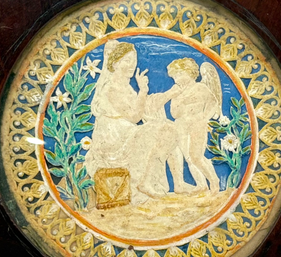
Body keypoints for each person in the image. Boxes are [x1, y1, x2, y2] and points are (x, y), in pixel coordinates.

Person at [84, 40, 180, 202]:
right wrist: (143, 91)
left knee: (169, 129)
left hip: (126, 131)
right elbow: (135, 117)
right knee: (163, 130)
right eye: (127, 61)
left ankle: (163, 182)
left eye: (134, 61)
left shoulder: (126, 87)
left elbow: (140, 113)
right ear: (115, 64)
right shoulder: (111, 88)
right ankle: (146, 182)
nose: (132, 65)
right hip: (114, 139)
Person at [167, 58, 222, 194]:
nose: (176, 78)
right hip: (181, 126)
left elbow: (213, 103)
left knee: (196, 156)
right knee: (189, 158)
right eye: (174, 76)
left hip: (197, 125)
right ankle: (201, 185)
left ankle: (214, 181)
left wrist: (204, 118)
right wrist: (179, 100)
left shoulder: (200, 88)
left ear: (190, 72)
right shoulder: (177, 92)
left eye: (179, 74)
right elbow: (174, 113)